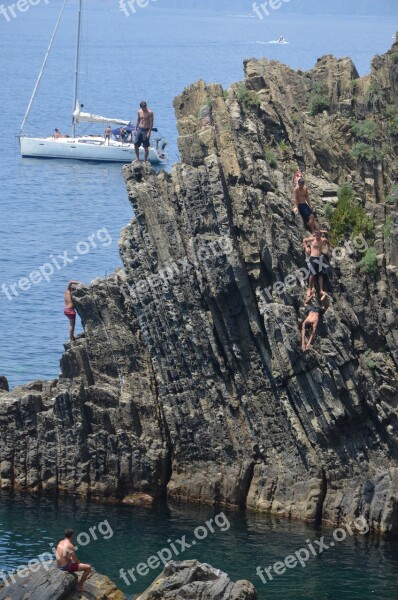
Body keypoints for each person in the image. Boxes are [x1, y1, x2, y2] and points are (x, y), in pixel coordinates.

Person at [303, 231, 332, 296]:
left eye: (318, 236)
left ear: (320, 235)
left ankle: (321, 290)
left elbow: (328, 243)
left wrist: (329, 250)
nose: (317, 237)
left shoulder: (323, 240)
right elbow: (304, 240)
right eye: (316, 236)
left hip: (320, 258)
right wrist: (306, 248)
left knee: (320, 274)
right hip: (313, 258)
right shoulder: (312, 239)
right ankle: (310, 289)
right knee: (312, 274)